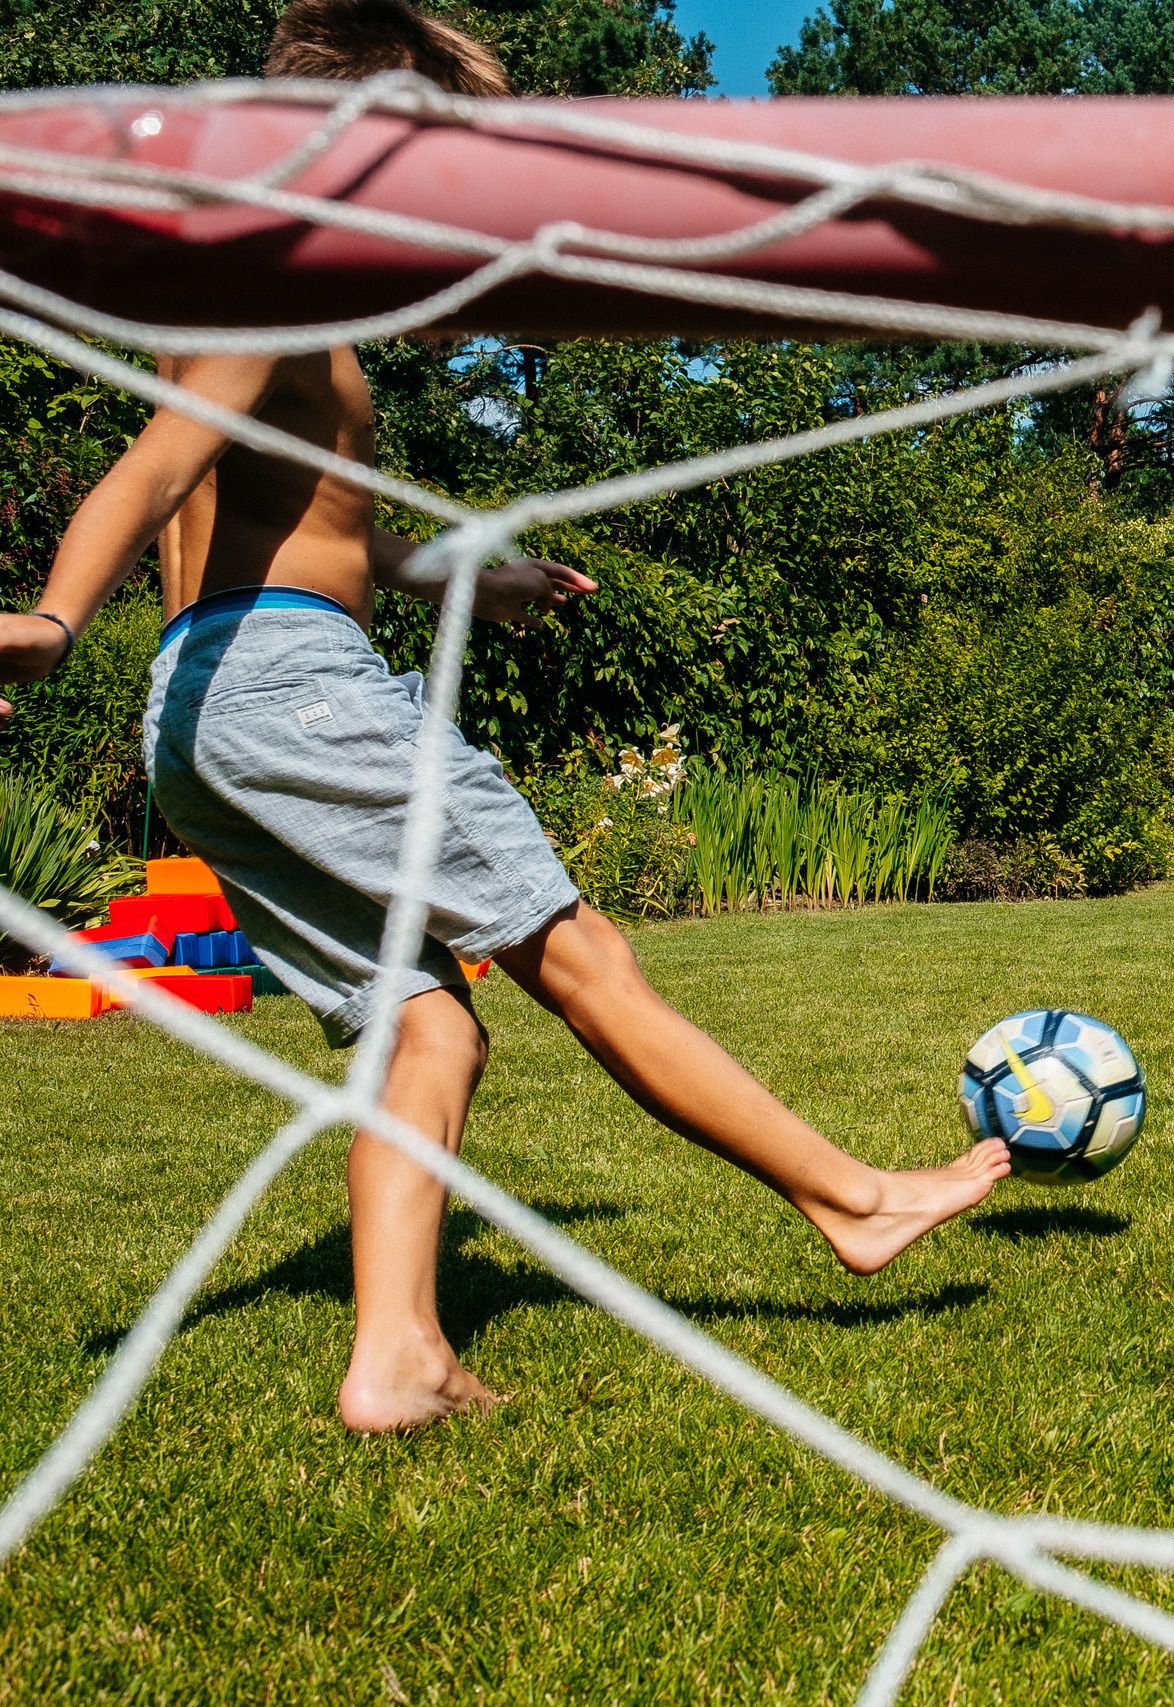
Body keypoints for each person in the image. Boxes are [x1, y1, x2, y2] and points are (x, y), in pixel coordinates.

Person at [0, 0, 1008, 1434]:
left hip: (208, 710)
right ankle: (854, 1197)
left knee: (428, 1023)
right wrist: (49, 620)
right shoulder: (278, 279)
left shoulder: (248, 286)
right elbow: (157, 464)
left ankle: (396, 1352)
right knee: (577, 949)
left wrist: (475, 571)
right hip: (296, 692)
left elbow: (306, 526)